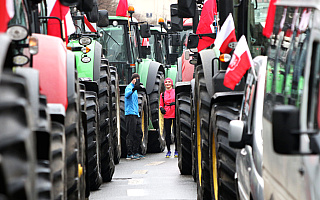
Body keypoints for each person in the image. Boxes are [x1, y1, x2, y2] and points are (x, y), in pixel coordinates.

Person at [125, 73, 145, 160]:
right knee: (131, 133)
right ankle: (129, 153)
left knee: (139, 133)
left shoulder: (136, 90)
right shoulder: (129, 87)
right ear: (132, 79)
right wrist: (133, 89)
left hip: (136, 114)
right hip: (130, 113)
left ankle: (136, 151)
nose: (137, 80)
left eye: (138, 79)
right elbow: (126, 95)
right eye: (135, 79)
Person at [159, 77, 177, 158]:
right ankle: (169, 150)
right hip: (167, 114)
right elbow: (161, 105)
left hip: (175, 112)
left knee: (176, 132)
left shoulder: (175, 92)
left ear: (172, 83)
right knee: (167, 133)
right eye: (166, 82)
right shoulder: (162, 94)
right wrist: (161, 108)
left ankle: (176, 150)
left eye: (169, 82)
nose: (168, 83)